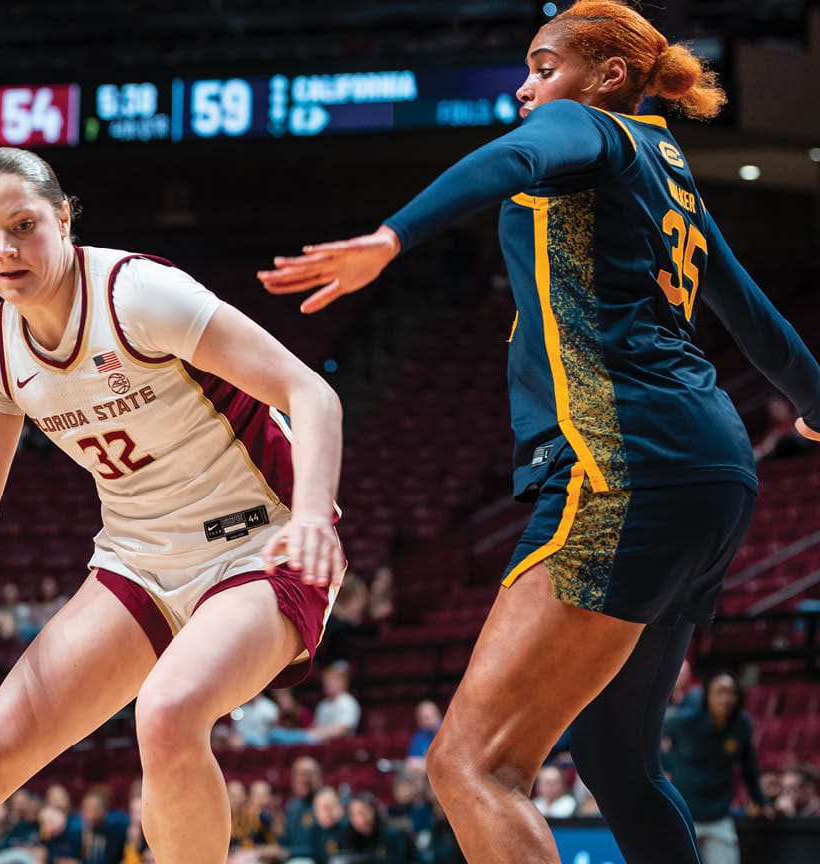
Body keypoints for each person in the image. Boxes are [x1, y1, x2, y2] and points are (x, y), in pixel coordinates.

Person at [259, 3, 820, 863]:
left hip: (626, 460)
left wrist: (391, 236)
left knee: (470, 765)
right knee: (617, 762)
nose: (527, 87)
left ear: (608, 77)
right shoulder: (669, 167)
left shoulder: (583, 127)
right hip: (713, 472)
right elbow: (754, 317)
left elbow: (519, 153)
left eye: (544, 66)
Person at [0, 140, 345, 864]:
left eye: (23, 226)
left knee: (169, 713)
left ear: (64, 218)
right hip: (138, 562)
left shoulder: (136, 294)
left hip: (262, 544)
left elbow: (312, 393)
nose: (5, 250)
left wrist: (310, 518)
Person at [663, 673, 768, 864]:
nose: (726, 699)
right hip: (684, 818)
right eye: (720, 692)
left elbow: (749, 768)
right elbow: (652, 735)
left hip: (719, 818)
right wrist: (667, 763)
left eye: (731, 693)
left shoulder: (742, 726)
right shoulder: (684, 721)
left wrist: (761, 801)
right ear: (707, 697)